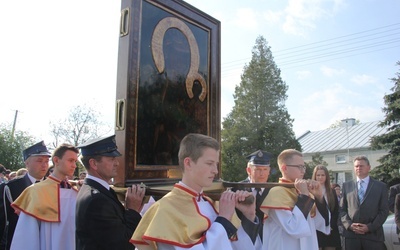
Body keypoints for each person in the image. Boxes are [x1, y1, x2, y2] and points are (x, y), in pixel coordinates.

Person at [130, 133, 262, 250]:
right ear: (188, 163)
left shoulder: (213, 204)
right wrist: (223, 220)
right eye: (209, 163)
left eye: (216, 164)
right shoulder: (166, 209)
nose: (215, 171)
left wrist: (249, 215)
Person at [76, 135, 144, 250]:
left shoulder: (96, 190)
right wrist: (132, 211)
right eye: (111, 159)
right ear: (93, 164)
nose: (117, 163)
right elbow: (124, 244)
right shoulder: (96, 199)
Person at [10, 143, 79, 250]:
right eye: (70, 160)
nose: (74, 165)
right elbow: (26, 238)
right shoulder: (35, 192)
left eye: (75, 161)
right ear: (56, 160)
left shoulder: (76, 192)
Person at [260, 149, 330, 250]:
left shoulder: (303, 191)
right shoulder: (277, 192)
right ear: (284, 168)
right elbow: (294, 228)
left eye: (303, 167)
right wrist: (304, 196)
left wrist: (319, 197)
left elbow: (320, 223)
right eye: (299, 167)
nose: (303, 171)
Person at [0, 141, 51, 250]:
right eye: (39, 161)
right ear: (27, 163)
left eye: (47, 161)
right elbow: (3, 223)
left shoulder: (54, 187)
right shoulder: (11, 188)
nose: (44, 165)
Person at [340, 155, 389, 250]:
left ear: (369, 167)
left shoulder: (380, 187)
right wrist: (349, 225)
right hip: (352, 237)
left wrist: (369, 227)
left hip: (373, 236)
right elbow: (342, 210)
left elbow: (384, 211)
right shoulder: (347, 186)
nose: (358, 168)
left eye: (361, 166)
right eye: (356, 166)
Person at [236, 149, 273, 240]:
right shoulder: (237, 189)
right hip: (244, 238)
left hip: (268, 239)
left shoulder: (273, 191)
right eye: (258, 169)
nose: (262, 174)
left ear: (269, 171)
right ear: (249, 170)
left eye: (265, 169)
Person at [312, 165, 341, 250]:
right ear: (315, 176)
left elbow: (335, 210)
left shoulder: (331, 191)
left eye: (323, 175)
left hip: (330, 228)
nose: (320, 177)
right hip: (316, 228)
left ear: (326, 176)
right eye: (318, 175)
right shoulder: (310, 190)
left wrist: (331, 225)